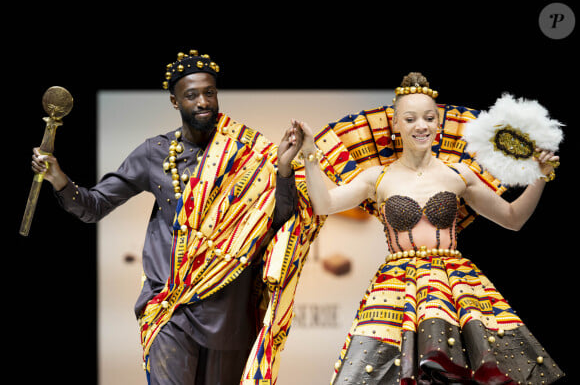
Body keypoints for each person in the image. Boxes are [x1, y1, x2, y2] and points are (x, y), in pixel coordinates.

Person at [31, 50, 302, 384]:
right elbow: (94, 206)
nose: (203, 101)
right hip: (169, 309)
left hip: (230, 314)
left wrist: (285, 167)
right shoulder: (155, 152)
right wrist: (58, 177)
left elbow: (279, 219)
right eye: (192, 95)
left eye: (210, 92)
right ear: (175, 102)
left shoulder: (246, 155)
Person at [290, 72, 565, 384]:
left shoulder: (459, 174)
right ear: (395, 124)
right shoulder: (377, 177)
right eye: (410, 119)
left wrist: (541, 176)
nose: (421, 125)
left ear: (438, 124)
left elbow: (513, 219)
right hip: (396, 289)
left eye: (428, 118)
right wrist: (310, 151)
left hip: (455, 286)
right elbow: (324, 204)